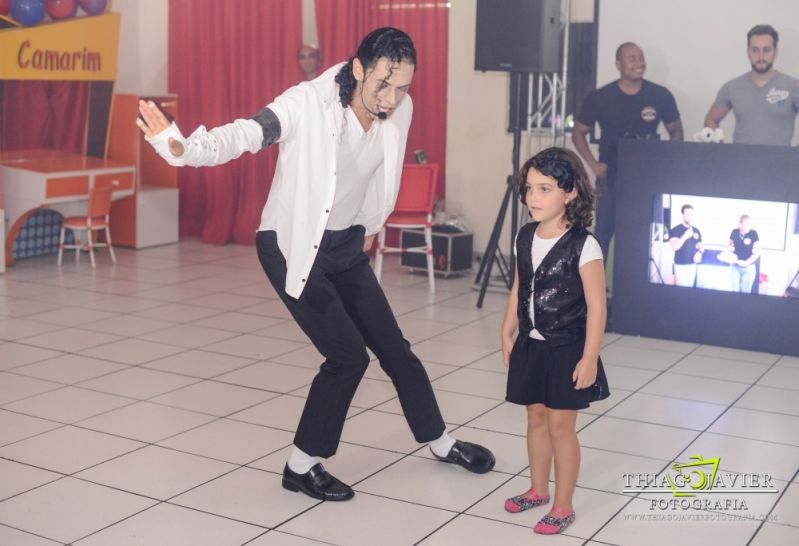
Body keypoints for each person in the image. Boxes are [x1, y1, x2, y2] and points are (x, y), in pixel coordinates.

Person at [136, 27, 495, 502]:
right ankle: (301, 465)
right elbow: (245, 134)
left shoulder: (399, 108)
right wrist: (179, 147)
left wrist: (368, 224)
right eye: (382, 85)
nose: (391, 98)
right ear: (359, 68)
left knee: (397, 350)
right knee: (347, 356)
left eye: (403, 87)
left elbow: (377, 172)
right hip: (292, 246)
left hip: (347, 245)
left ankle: (440, 441)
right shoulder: (307, 102)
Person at [500, 148, 610, 535]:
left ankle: (563, 505)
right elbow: (519, 286)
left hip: (567, 348)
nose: (533, 197)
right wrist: (506, 329)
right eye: (529, 188)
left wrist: (590, 356)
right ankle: (537, 489)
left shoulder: (585, 245)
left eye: (545, 189)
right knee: (535, 417)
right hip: (531, 342)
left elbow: (597, 306)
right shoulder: (525, 235)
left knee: (561, 426)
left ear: (570, 193)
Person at [572, 42, 683, 259]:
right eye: (632, 58)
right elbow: (578, 133)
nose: (639, 63)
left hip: (647, 180)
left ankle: (632, 293)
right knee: (603, 235)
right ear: (618, 64)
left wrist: (665, 163)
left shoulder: (660, 95)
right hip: (610, 177)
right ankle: (594, 291)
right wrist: (594, 165)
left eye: (641, 58)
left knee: (641, 235)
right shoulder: (600, 97)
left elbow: (676, 131)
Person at [704, 25, 799, 146]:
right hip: (740, 161)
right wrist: (722, 151)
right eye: (755, 50)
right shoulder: (732, 87)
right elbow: (711, 119)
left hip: (778, 162)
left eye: (766, 50)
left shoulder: (793, 86)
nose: (760, 57)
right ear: (748, 52)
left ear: (775, 52)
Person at [668, 204, 704, 287]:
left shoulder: (696, 230)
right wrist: (685, 236)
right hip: (681, 265)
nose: (690, 217)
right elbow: (674, 247)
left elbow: (701, 247)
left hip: (693, 265)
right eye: (687, 215)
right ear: (682, 215)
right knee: (682, 292)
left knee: (690, 289)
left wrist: (699, 253)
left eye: (691, 215)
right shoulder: (675, 230)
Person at [728, 214, 761, 293]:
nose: (748, 226)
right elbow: (729, 247)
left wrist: (746, 263)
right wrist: (727, 255)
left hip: (749, 268)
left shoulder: (753, 233)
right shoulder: (734, 232)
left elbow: (757, 252)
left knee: (745, 292)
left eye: (750, 224)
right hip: (735, 267)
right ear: (740, 224)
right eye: (746, 223)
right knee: (735, 292)